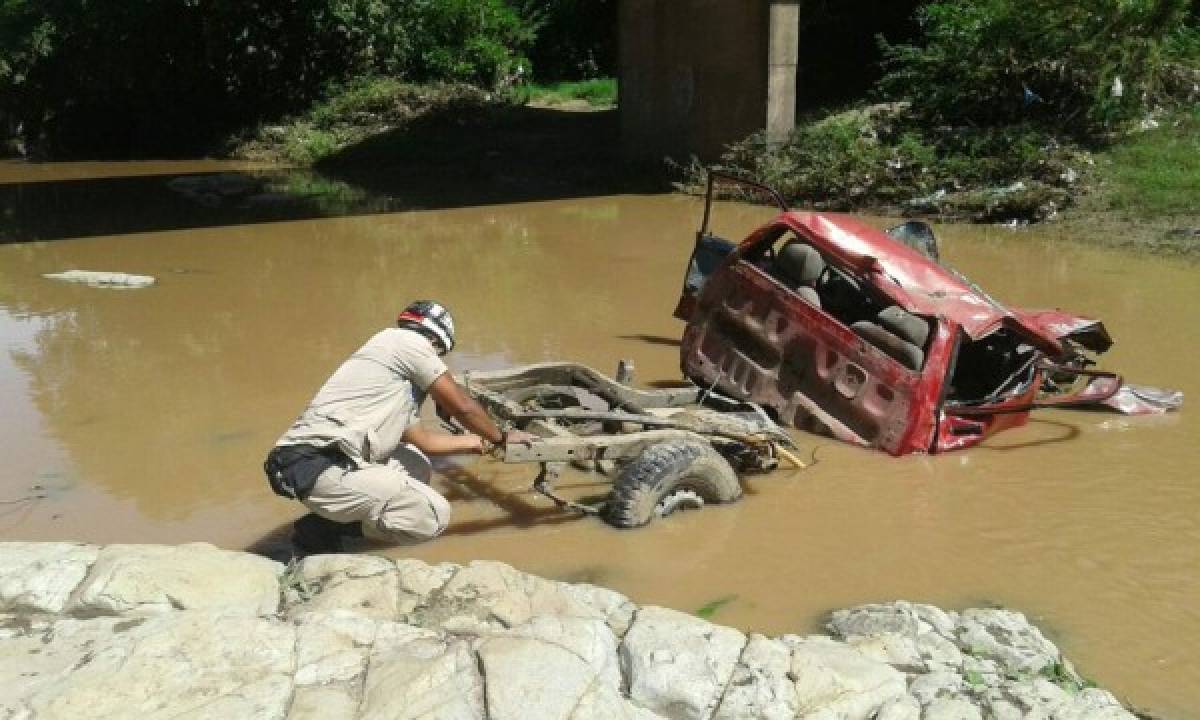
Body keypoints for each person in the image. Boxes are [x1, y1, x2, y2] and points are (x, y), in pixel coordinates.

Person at [264, 300, 534, 553]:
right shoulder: (407, 342)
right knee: (432, 515)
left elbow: (423, 441)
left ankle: (330, 523)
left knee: (415, 463)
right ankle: (325, 529)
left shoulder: (391, 374)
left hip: (316, 463)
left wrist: (475, 442)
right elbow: (462, 406)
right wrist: (501, 437)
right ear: (435, 340)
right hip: (315, 464)